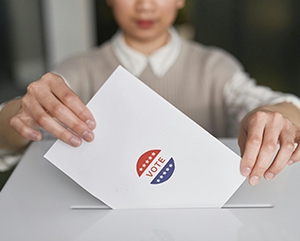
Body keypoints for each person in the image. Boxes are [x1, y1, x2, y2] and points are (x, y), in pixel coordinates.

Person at [0, 0, 300, 187]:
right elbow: (10, 135)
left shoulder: (215, 66)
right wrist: (22, 112)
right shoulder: (77, 70)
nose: (145, 5)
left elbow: (265, 103)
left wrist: (277, 117)